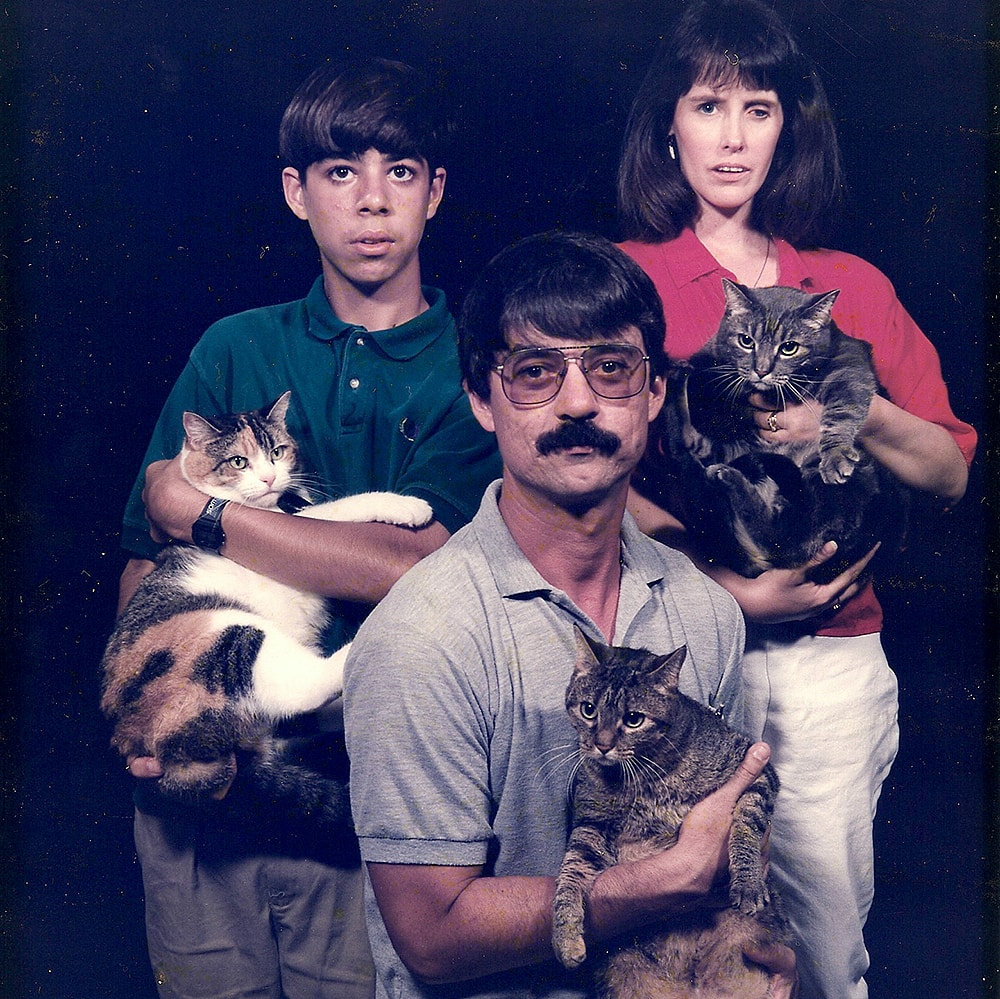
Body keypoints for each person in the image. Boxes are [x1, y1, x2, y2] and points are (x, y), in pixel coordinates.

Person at [116, 57, 501, 999]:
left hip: (366, 793)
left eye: (399, 172)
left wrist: (204, 512)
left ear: (434, 193)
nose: (371, 200)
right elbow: (143, 561)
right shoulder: (235, 346)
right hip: (204, 782)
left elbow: (411, 562)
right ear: (296, 192)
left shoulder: (474, 365)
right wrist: (144, 707)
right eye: (339, 172)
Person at [615, 3, 977, 997]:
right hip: (671, 665)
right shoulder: (627, 280)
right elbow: (587, 483)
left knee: (820, 948)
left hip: (827, 663)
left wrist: (844, 409)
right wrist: (724, 591)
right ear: (668, 125)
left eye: (758, 109)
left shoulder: (850, 285)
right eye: (708, 106)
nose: (732, 137)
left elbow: (949, 470)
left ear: (788, 129)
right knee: (678, 948)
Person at [343, 230, 799, 999]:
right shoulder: (421, 633)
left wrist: (751, 958)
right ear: (481, 399)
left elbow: (718, 836)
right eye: (534, 372)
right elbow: (429, 937)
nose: (579, 401)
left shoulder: (706, 611)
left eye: (611, 367)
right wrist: (659, 883)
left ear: (654, 393)